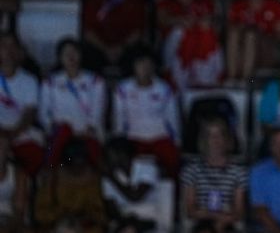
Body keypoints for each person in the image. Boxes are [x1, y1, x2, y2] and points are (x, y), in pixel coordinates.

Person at [112, 46, 180, 177]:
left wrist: (177, 142)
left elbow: (173, 118)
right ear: (133, 66)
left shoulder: (165, 89)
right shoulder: (122, 89)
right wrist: (119, 142)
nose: (145, 68)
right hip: (133, 139)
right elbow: (119, 118)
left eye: (149, 63)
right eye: (141, 63)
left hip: (160, 138)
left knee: (171, 163)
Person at [40, 39, 106, 168]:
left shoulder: (95, 81)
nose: (71, 57)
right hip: (59, 132)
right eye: (66, 54)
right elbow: (44, 112)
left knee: (94, 153)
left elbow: (98, 110)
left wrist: (88, 129)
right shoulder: (50, 82)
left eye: (74, 52)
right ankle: (49, 170)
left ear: (80, 55)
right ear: (60, 58)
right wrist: (51, 127)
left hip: (88, 132)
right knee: (61, 133)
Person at [157, 0, 224, 89]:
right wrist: (180, 20)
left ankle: (207, 80)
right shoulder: (167, 2)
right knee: (181, 30)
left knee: (207, 30)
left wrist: (205, 22)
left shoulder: (205, 1)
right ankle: (178, 81)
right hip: (175, 52)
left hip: (201, 50)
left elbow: (217, 26)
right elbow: (162, 20)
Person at [82, 0, 148, 71]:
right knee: (86, 56)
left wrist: (120, 48)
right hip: (99, 47)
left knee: (139, 57)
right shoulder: (94, 1)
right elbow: (88, 32)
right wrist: (105, 49)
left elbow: (138, 32)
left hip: (126, 49)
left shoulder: (136, 2)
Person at [181, 118, 247, 233]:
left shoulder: (239, 172)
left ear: (227, 140)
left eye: (220, 135)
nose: (215, 140)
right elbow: (190, 210)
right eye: (211, 136)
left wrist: (221, 222)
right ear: (204, 140)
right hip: (202, 221)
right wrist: (213, 216)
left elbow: (239, 211)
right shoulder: (191, 170)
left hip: (228, 221)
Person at [226, 0, 280, 81]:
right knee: (237, 35)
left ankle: (246, 81)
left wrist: (261, 35)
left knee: (251, 36)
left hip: (268, 50)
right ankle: (232, 79)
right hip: (243, 52)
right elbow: (231, 33)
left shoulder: (275, 6)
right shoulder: (238, 6)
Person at [34, 138, 107, 232]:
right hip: (56, 226)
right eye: (75, 164)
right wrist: (60, 214)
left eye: (81, 164)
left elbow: (100, 214)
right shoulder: (53, 179)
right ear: (66, 163)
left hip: (83, 228)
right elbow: (40, 214)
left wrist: (85, 217)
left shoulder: (92, 179)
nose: (78, 168)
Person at [0, 32, 43, 176]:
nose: (9, 50)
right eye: (4, 46)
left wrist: (11, 135)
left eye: (13, 45)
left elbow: (30, 113)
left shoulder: (29, 80)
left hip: (20, 134)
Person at [101, 137, 160, 232]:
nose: (106, 158)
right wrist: (125, 221)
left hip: (150, 217)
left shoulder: (147, 168)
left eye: (109, 154)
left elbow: (135, 196)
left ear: (121, 154)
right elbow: (111, 207)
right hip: (125, 219)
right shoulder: (109, 176)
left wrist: (112, 178)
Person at [0, 135, 28, 231]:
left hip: (8, 221)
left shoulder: (18, 175)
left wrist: (7, 228)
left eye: (1, 147)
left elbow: (19, 212)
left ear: (8, 152)